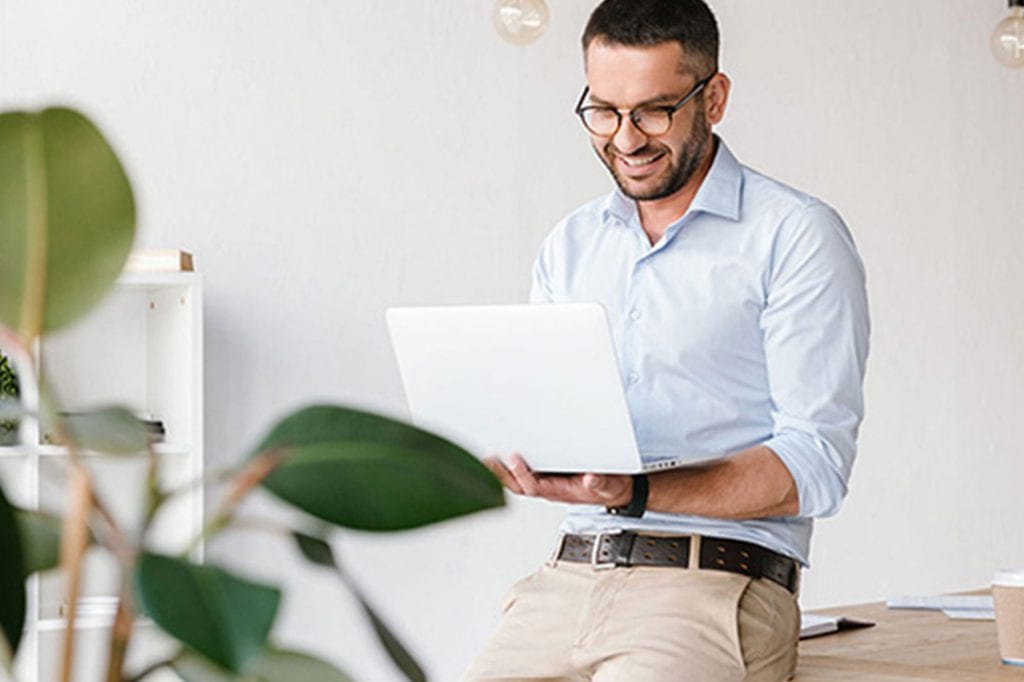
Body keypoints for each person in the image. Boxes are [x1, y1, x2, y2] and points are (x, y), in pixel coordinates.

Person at [464, 0, 869, 680]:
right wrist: (517, 452)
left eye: (654, 110)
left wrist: (637, 490)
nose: (625, 139)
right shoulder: (571, 245)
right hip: (563, 584)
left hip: (710, 585)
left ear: (713, 96)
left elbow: (815, 463)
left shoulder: (794, 236)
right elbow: (556, 423)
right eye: (604, 110)